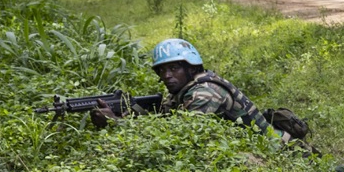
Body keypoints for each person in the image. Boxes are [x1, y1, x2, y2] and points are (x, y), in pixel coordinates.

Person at [90, 38, 300, 140]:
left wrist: (117, 124)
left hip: (284, 149)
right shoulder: (183, 90)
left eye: (174, 68)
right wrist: (128, 111)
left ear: (191, 68)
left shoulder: (205, 92)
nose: (167, 76)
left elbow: (183, 136)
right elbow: (164, 118)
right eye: (162, 71)